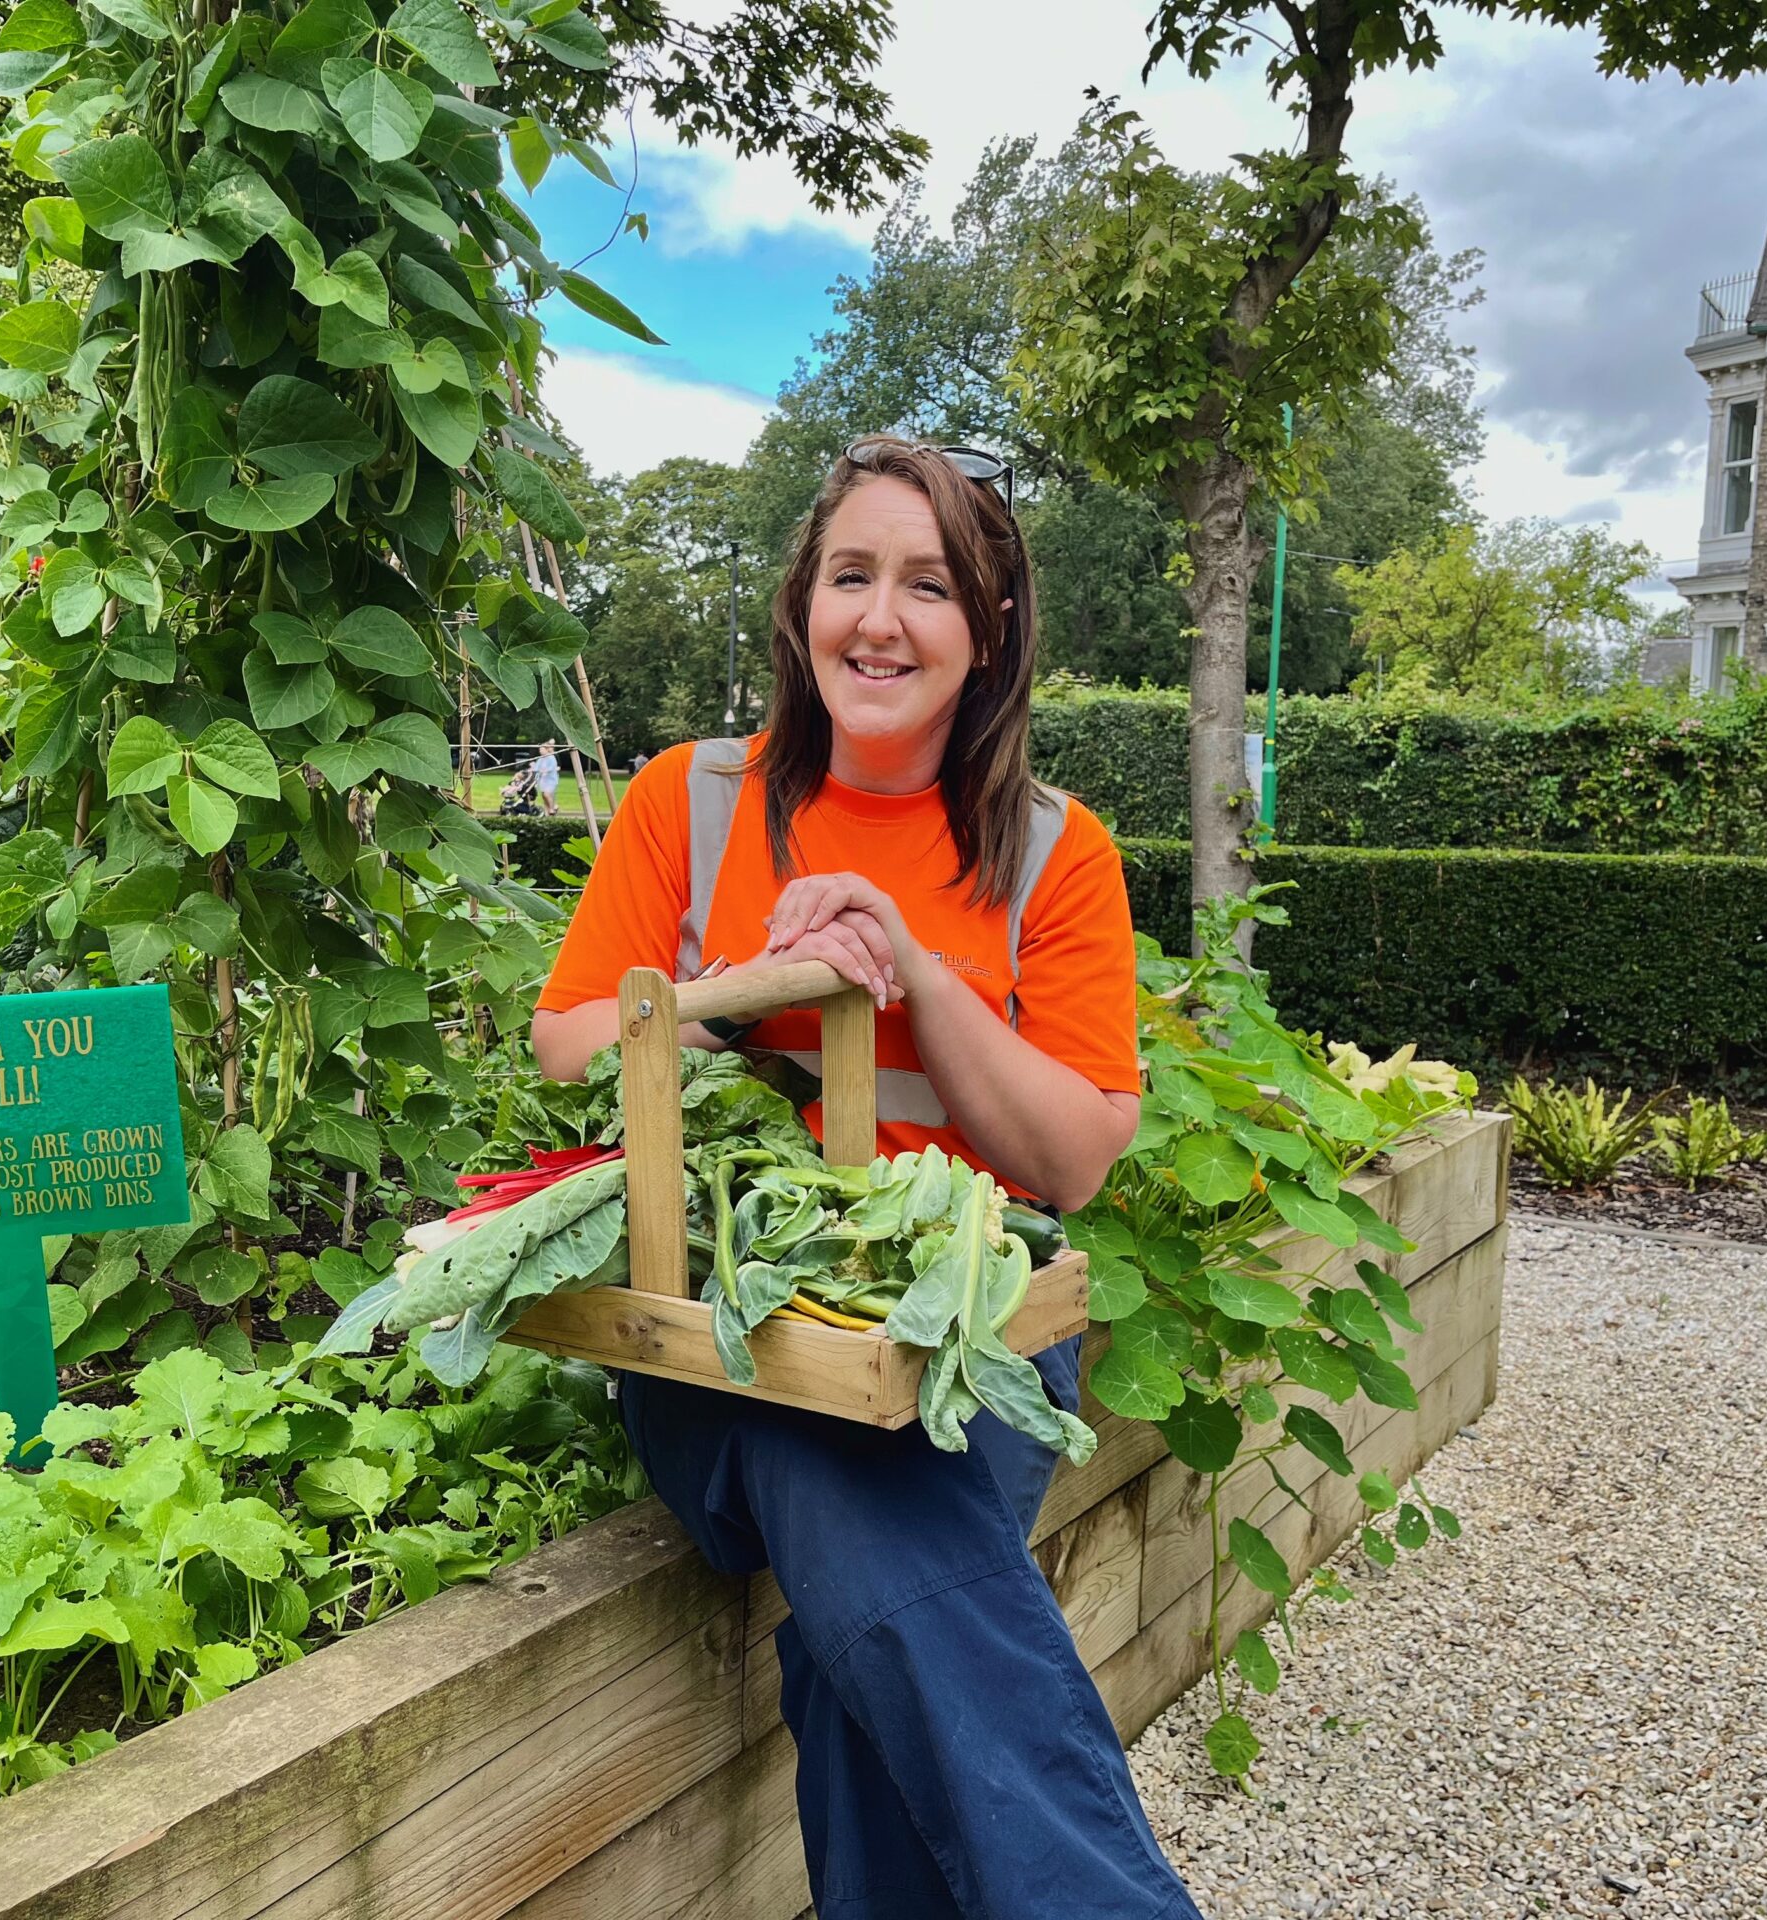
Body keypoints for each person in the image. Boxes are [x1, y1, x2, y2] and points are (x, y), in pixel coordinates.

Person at [531, 438, 1197, 1920]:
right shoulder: (688, 801)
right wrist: (747, 993)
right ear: (801, 607)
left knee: (850, 1582)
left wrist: (911, 969)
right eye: (850, 576)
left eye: (929, 586)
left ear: (992, 631)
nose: (880, 619)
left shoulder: (1054, 853)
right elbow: (577, 1048)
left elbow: (1074, 1154)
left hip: (967, 1336)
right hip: (718, 1330)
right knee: (823, 1448)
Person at [532, 738, 561, 815]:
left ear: (546, 750)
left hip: (551, 780)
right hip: (543, 780)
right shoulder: (540, 759)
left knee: (547, 794)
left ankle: (551, 808)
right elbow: (536, 768)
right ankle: (547, 811)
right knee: (544, 796)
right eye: (540, 750)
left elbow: (552, 767)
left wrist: (544, 771)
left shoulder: (551, 758)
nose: (540, 751)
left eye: (542, 749)